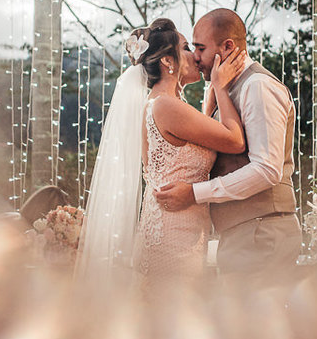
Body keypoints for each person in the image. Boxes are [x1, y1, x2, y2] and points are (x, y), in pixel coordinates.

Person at [76, 18, 245, 292]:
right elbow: (235, 141)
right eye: (186, 47)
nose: (194, 55)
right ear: (168, 61)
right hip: (175, 240)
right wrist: (221, 86)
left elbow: (184, 153)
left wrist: (208, 104)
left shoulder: (160, 104)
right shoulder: (166, 106)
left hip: (173, 232)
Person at [154, 8, 303, 286]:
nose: (195, 57)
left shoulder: (257, 86)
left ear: (228, 47)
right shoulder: (227, 89)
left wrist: (195, 194)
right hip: (244, 235)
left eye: (200, 48)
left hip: (262, 232)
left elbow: (267, 169)